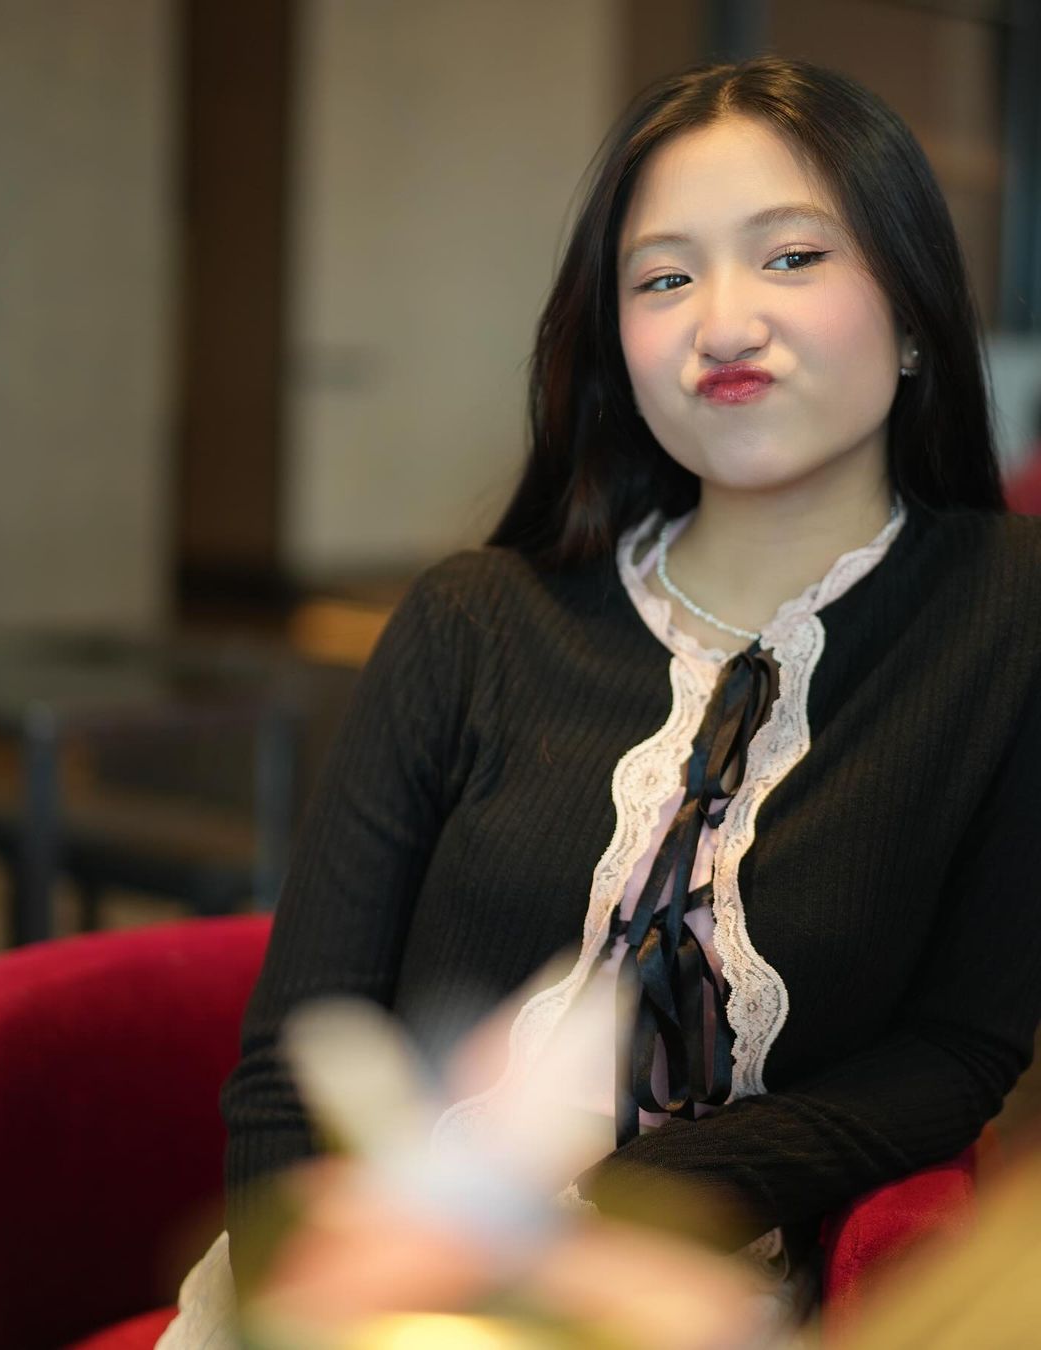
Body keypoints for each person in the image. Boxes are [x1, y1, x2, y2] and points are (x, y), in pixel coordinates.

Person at [161, 56, 1041, 1344]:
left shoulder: (1006, 615)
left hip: (677, 1291)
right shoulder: (473, 620)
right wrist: (314, 1292)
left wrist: (614, 1214)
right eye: (663, 278)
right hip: (364, 1275)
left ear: (915, 317)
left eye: (792, 257)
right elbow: (301, 1049)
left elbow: (956, 1051)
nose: (722, 323)